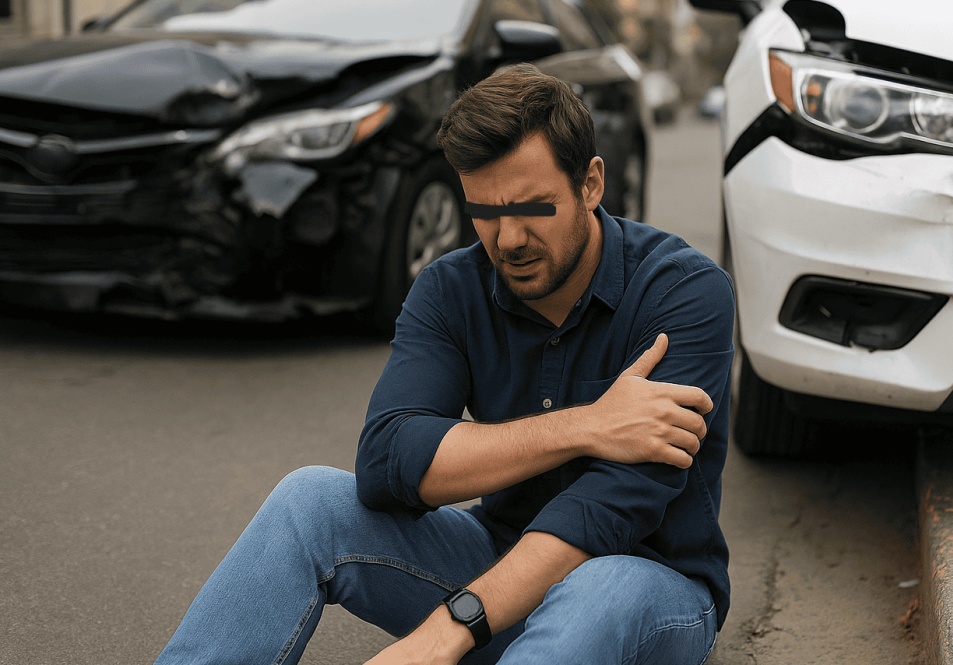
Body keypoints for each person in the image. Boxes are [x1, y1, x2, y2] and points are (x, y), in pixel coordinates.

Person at [154, 63, 734, 665]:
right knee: (308, 503)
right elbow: (387, 460)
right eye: (483, 210)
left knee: (599, 588)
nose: (507, 239)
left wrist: (452, 627)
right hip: (497, 560)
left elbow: (612, 509)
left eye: (532, 207)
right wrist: (587, 425)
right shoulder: (449, 289)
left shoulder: (684, 293)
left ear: (590, 184)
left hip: (648, 590)